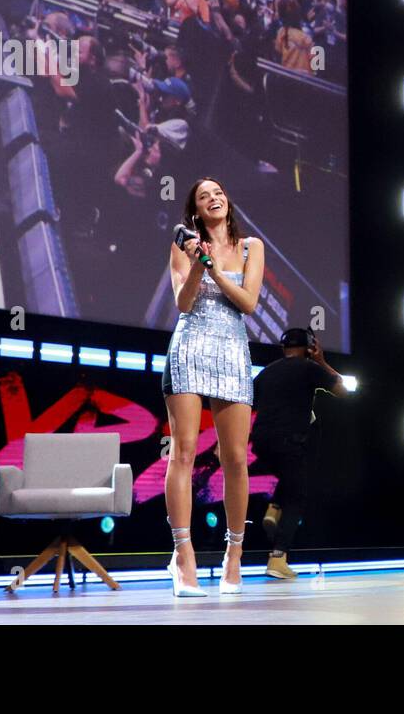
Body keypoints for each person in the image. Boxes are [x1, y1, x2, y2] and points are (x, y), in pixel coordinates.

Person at [161, 178, 265, 596]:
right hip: (189, 346)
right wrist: (197, 265)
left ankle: (234, 555)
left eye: (219, 192)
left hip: (232, 350)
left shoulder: (250, 246)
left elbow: (249, 302)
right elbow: (183, 304)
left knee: (236, 457)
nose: (214, 198)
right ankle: (182, 557)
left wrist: (215, 271)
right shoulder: (182, 247)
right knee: (183, 451)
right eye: (204, 197)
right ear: (195, 212)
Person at [251, 328, 349, 579]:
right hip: (289, 441)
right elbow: (343, 390)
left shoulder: (266, 373)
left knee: (290, 474)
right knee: (297, 495)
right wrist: (321, 361)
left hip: (261, 443)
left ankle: (273, 508)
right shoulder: (309, 367)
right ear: (309, 347)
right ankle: (278, 558)